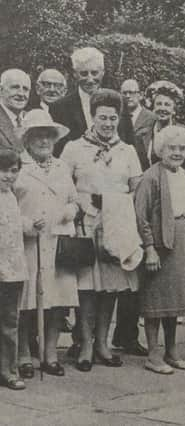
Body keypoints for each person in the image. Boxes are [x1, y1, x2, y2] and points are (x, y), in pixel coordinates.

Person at [60, 89, 144, 372]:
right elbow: (63, 185)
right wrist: (82, 203)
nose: (108, 123)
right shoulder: (73, 148)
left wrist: (116, 206)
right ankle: (84, 344)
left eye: (113, 118)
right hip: (86, 224)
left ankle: (102, 343)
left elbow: (137, 190)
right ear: (92, 117)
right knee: (86, 288)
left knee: (110, 288)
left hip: (116, 227)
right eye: (102, 117)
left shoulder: (128, 151)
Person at [14, 110, 78, 378]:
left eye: (48, 136)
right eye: (37, 136)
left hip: (59, 241)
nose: (43, 141)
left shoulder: (62, 167)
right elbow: (6, 206)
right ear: (27, 139)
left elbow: (74, 200)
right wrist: (26, 223)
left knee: (57, 300)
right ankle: (24, 355)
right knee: (26, 300)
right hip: (27, 244)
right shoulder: (17, 167)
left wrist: (70, 211)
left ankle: (50, 353)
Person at [135, 125, 185, 374]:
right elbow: (141, 216)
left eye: (182, 148)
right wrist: (149, 248)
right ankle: (153, 354)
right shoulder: (151, 176)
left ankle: (172, 351)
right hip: (160, 244)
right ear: (161, 149)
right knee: (156, 299)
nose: (177, 153)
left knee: (176, 299)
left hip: (182, 239)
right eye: (172, 148)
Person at [110, 78, 156, 356]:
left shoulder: (133, 130)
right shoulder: (116, 125)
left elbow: (140, 171)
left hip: (130, 208)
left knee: (130, 274)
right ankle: (88, 338)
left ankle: (126, 334)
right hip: (105, 207)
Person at [0, 149, 31, 390]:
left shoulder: (11, 197)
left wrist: (31, 224)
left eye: (13, 171)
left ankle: (8, 370)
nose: (7, 176)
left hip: (12, 270)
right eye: (2, 171)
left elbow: (17, 226)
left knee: (10, 321)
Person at [51, 47, 105, 157]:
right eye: (84, 74)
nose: (90, 79)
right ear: (75, 74)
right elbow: (57, 151)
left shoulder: (118, 103)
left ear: (103, 72)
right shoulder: (60, 108)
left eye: (94, 73)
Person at [134, 80, 185, 173]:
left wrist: (182, 176)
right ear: (153, 108)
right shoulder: (141, 135)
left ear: (174, 110)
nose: (162, 108)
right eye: (159, 104)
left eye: (167, 105)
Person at [118, 79, 156, 146]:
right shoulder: (117, 117)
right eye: (124, 93)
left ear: (140, 95)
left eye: (131, 92)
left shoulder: (151, 118)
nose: (128, 96)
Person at [0, 69, 31, 152]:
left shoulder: (31, 119)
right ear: (1, 90)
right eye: (15, 87)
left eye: (25, 89)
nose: (21, 94)